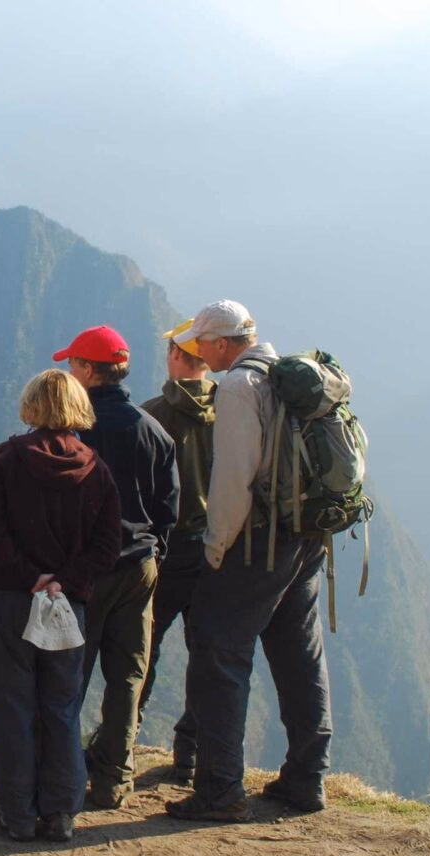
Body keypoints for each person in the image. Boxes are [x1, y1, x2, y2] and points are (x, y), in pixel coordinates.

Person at [164, 300, 333, 823]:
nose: (198, 353)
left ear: (221, 343)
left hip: (258, 542)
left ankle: (218, 791)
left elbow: (233, 479)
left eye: (202, 344)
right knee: (298, 653)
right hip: (306, 536)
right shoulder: (284, 376)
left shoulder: (238, 388)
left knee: (218, 653)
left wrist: (216, 549)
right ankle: (307, 779)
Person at [0, 369, 121, 842]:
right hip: (65, 605)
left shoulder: (9, 458)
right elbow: (107, 545)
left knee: (12, 704)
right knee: (61, 705)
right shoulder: (96, 470)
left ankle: (17, 814)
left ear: (32, 405)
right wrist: (64, 582)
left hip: (11, 601)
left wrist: (28, 576)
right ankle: (61, 813)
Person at [59, 325, 179, 809]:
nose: (70, 372)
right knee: (128, 676)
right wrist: (150, 554)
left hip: (86, 572)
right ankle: (113, 778)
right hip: (139, 568)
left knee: (70, 674)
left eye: (73, 365)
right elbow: (169, 509)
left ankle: (62, 777)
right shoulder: (154, 431)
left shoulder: (73, 433)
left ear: (89, 371)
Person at [137, 320, 217, 784]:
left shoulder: (152, 417)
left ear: (174, 356)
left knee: (143, 649)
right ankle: (191, 753)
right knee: (207, 653)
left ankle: (122, 741)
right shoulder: (234, 412)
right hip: (217, 551)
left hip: (165, 550)